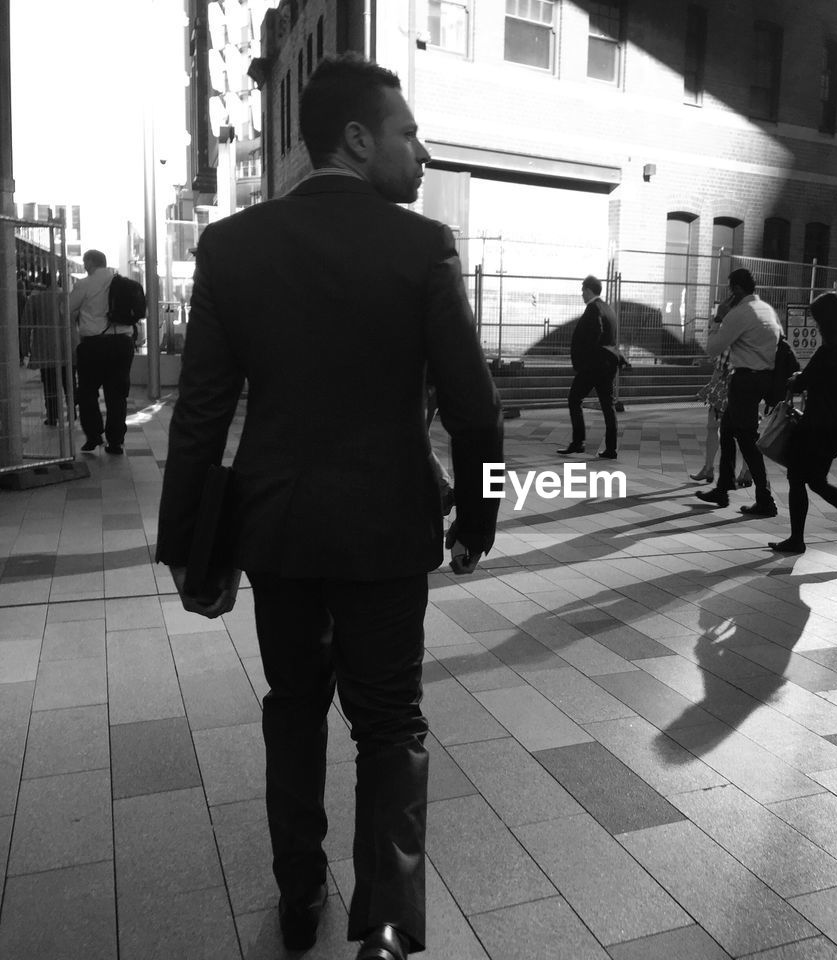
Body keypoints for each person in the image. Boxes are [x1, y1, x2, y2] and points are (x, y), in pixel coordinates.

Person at [155, 53, 503, 960]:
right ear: (358, 138)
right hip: (389, 533)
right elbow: (476, 409)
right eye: (409, 133)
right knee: (391, 722)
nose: (421, 153)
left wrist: (191, 555)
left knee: (294, 708)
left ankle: (300, 892)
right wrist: (479, 519)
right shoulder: (419, 245)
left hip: (281, 532)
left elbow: (199, 416)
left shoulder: (232, 247)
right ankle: (386, 926)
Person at [766, 292, 837, 553]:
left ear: (826, 321)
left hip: (817, 427)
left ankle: (797, 539)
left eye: (817, 320)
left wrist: (795, 379)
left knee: (798, 478)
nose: (815, 325)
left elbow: (803, 381)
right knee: (815, 481)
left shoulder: (828, 351)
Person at [694, 267, 781, 516]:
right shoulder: (766, 309)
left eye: (729, 289)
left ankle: (765, 499)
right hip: (763, 378)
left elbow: (712, 348)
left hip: (745, 380)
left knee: (747, 439)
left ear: (736, 290)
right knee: (729, 430)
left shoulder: (739, 313)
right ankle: (723, 488)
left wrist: (718, 317)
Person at [70, 249, 135, 454]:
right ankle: (115, 441)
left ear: (91, 262)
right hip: (123, 344)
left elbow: (66, 310)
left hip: (94, 345)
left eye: (85, 262)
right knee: (117, 395)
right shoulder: (124, 283)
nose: (84, 266)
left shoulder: (85, 284)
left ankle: (93, 435)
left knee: (87, 391)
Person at [557, 275, 620, 459]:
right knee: (608, 406)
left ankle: (578, 442)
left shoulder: (593, 309)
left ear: (589, 290)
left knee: (574, 399)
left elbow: (594, 336)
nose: (581, 294)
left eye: (582, 290)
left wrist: (584, 361)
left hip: (593, 367)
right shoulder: (608, 309)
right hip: (607, 366)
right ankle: (611, 448)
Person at [19, 274, 75, 425]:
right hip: (68, 348)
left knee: (50, 385)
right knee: (69, 382)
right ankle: (72, 412)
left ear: (43, 284)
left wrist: (24, 350)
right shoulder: (69, 297)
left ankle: (52, 415)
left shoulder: (36, 300)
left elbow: (25, 326)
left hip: (46, 349)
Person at [691, 351, 752, 488]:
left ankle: (709, 469)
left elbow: (720, 369)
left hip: (726, 391)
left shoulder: (730, 339)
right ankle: (746, 471)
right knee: (745, 432)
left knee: (713, 427)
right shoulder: (754, 339)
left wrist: (710, 389)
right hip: (749, 388)